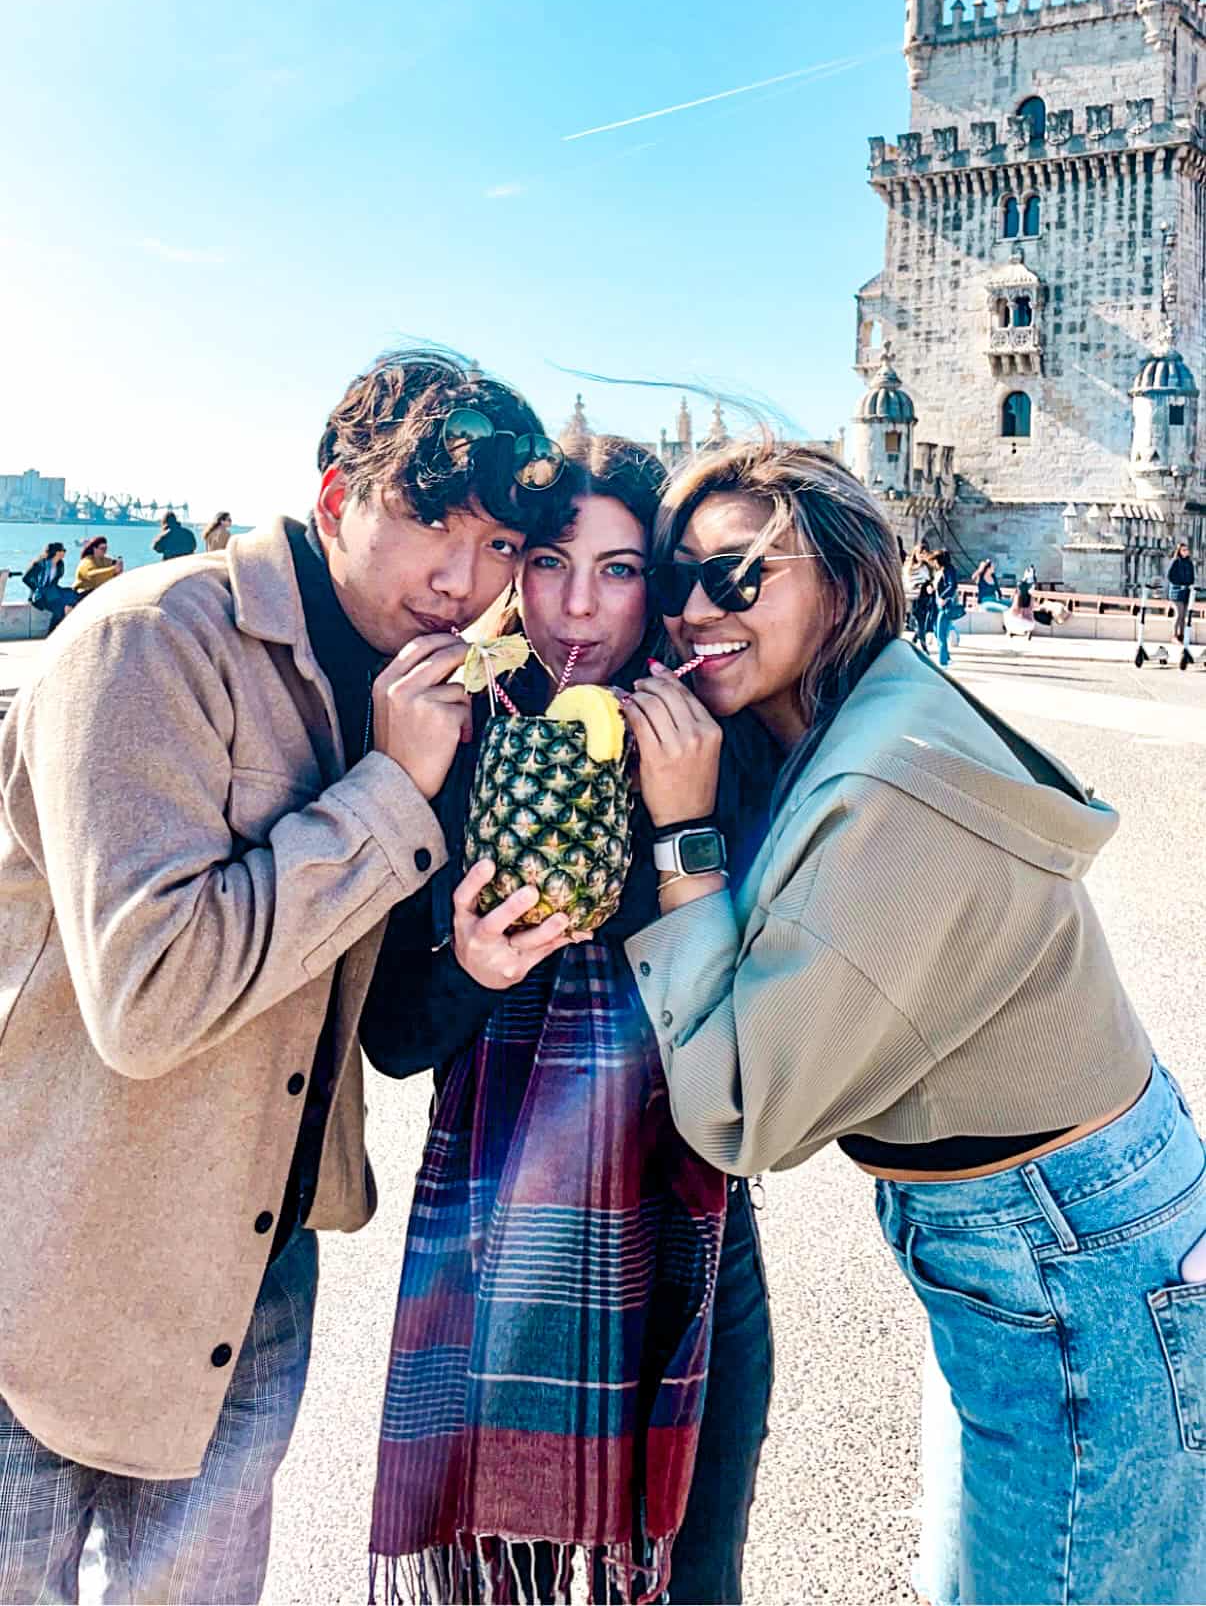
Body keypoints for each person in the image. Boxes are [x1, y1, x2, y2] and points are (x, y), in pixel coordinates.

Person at [0, 351, 568, 1606]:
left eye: (496, 549)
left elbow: (386, 1032)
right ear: (332, 497)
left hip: (256, 1268)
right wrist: (387, 790)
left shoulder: (420, 694)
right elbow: (150, 1002)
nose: (460, 581)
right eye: (429, 523)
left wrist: (472, 960)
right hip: (48, 1251)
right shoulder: (151, 645)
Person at [619, 435, 1206, 1605]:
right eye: (677, 576)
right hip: (1048, 1237)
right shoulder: (851, 712)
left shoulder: (881, 780)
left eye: (739, 573)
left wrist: (681, 839)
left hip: (1064, 1263)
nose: (692, 609)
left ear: (843, 577)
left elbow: (743, 1117)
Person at [360, 435, 776, 1605]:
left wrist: (683, 827)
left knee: (693, 1579)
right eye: (547, 562)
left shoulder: (723, 746)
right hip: (494, 1251)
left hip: (691, 1244)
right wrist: (473, 972)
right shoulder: (453, 736)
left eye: (621, 568)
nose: (578, 606)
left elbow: (763, 1060)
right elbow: (396, 1037)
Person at [20, 542, 79, 633]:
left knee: (74, 596)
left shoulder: (60, 564)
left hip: (52, 592)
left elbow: (54, 582)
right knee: (59, 609)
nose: (65, 552)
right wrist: (36, 589)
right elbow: (25, 578)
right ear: (57, 552)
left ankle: (56, 633)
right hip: (40, 595)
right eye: (63, 550)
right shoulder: (40, 564)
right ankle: (52, 634)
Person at [932, 548, 962, 669]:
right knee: (937, 631)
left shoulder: (949, 570)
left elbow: (952, 585)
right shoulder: (942, 571)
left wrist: (944, 597)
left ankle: (943, 661)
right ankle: (947, 657)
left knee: (941, 634)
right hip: (938, 606)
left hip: (945, 606)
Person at [903, 543, 935, 649]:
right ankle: (924, 647)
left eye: (924, 554)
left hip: (925, 597)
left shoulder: (928, 567)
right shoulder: (909, 567)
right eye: (920, 554)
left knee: (922, 621)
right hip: (913, 597)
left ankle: (915, 639)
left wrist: (930, 585)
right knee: (920, 621)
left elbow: (931, 580)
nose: (922, 556)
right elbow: (907, 582)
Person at [1168, 540, 1195, 644]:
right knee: (1178, 614)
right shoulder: (1175, 562)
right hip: (1176, 592)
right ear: (1179, 551)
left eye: (1187, 550)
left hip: (1186, 592)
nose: (1186, 552)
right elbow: (1170, 576)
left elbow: (1192, 577)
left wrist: (1190, 585)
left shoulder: (1189, 563)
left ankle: (1182, 635)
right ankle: (1174, 636)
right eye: (1183, 550)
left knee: (1184, 616)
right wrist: (1180, 585)